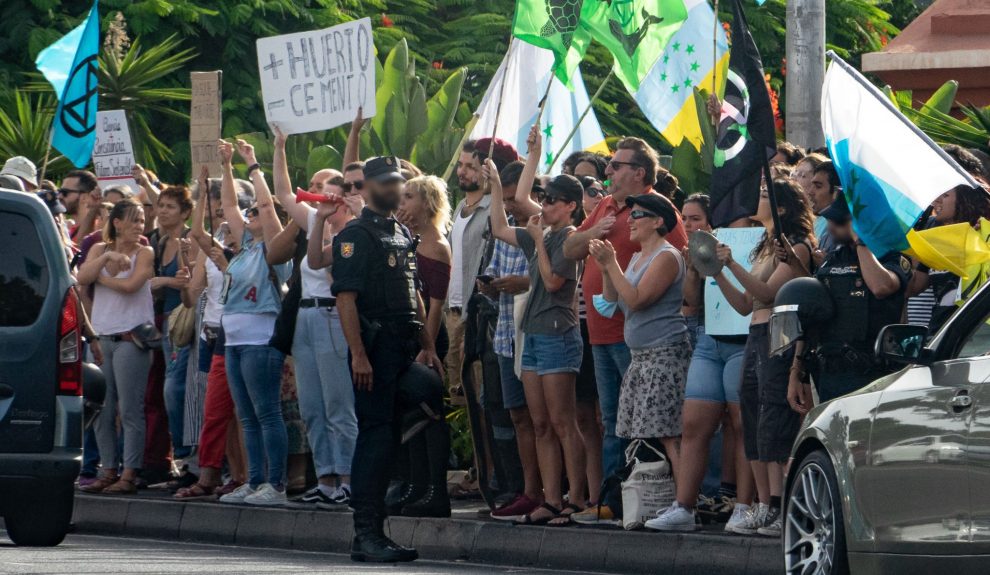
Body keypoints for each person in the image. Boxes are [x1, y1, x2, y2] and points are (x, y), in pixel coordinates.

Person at [563, 137, 688, 524]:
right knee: (615, 420)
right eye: (610, 164)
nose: (609, 171)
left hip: (643, 340)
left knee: (654, 427)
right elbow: (569, 249)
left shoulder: (660, 212)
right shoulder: (605, 205)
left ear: (639, 172)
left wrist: (609, 259)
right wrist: (593, 231)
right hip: (600, 331)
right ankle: (613, 501)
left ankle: (658, 503)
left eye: (616, 165)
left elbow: (657, 281)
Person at [331, 155, 443, 563]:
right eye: (384, 183)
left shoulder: (398, 229)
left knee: (425, 399)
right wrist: (359, 353)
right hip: (373, 348)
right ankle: (367, 533)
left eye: (397, 181)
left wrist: (428, 343)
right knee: (376, 438)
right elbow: (346, 299)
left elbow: (413, 291)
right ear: (366, 188)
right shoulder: (356, 235)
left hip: (402, 345)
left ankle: (376, 530)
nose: (394, 188)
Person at [704, 179, 815, 538]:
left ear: (782, 209)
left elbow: (767, 292)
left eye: (765, 195)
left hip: (778, 335)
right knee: (751, 415)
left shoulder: (794, 246)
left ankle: (781, 505)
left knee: (772, 417)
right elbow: (743, 304)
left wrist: (732, 263)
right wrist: (717, 270)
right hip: (754, 333)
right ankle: (765, 505)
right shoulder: (764, 247)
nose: (757, 197)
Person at [488, 159, 587, 527]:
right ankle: (550, 497)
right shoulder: (540, 233)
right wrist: (496, 184)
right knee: (540, 423)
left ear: (570, 206)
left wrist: (540, 243)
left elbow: (553, 282)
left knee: (564, 423)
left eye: (552, 201)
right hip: (532, 334)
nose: (544, 206)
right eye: (543, 200)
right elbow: (499, 227)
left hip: (558, 334)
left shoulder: (570, 237)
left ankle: (575, 499)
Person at [270, 126, 358, 508]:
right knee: (312, 406)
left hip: (332, 316)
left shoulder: (354, 229)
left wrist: (354, 133)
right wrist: (279, 147)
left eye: (330, 189)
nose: (321, 194)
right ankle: (325, 478)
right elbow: (284, 194)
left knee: (338, 404)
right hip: (305, 318)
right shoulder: (316, 222)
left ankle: (350, 478)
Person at [589, 194, 691, 493]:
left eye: (637, 216)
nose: (629, 221)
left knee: (669, 435)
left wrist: (612, 265)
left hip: (664, 355)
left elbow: (637, 300)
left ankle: (684, 502)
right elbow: (611, 303)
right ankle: (656, 499)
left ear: (658, 222)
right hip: (641, 357)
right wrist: (607, 267)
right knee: (645, 435)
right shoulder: (636, 257)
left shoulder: (667, 257)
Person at [214, 138, 291, 507]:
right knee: (246, 416)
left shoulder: (275, 249)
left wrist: (253, 164)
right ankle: (254, 479)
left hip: (261, 341)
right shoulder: (245, 245)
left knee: (266, 413)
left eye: (256, 214)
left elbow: (263, 203)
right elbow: (230, 205)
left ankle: (274, 484)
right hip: (234, 341)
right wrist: (227, 167)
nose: (248, 217)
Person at [787, 196, 910, 410]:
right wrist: (796, 371)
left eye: (840, 222)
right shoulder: (833, 259)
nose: (831, 227)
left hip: (872, 374)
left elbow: (881, 287)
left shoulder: (890, 256)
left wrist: (861, 241)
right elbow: (813, 313)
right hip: (830, 371)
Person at [174, 169, 248, 499]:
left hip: (240, 334)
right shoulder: (212, 242)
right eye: (214, 204)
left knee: (237, 410)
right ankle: (228, 475)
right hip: (212, 334)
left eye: (224, 204)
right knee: (219, 411)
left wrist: (225, 264)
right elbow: (193, 294)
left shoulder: (251, 246)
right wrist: (185, 285)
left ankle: (242, 476)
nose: (221, 211)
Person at [77, 199, 155, 494]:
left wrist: (102, 277)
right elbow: (82, 277)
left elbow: (131, 285)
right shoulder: (100, 249)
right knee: (102, 409)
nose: (139, 227)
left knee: (131, 410)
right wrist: (105, 261)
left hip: (130, 340)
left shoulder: (145, 252)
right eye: (134, 220)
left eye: (142, 222)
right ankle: (108, 469)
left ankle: (129, 472)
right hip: (103, 339)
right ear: (117, 222)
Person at [480, 161, 543, 521]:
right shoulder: (505, 234)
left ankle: (554, 490)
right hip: (506, 336)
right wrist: (491, 286)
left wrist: (525, 284)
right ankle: (528, 490)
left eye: (513, 199)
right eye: (503, 200)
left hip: (539, 337)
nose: (511, 206)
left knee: (546, 421)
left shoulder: (548, 230)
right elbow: (496, 278)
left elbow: (564, 282)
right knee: (519, 417)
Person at [393, 174, 453, 516]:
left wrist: (426, 347)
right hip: (409, 334)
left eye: (409, 196)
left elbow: (435, 304)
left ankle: (435, 490)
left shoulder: (436, 245)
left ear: (427, 202)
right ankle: (416, 485)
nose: (403, 203)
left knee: (429, 415)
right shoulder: (407, 239)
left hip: (428, 335)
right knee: (409, 417)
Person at [446, 139, 517, 402]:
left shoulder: (495, 213)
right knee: (461, 399)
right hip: (454, 313)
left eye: (472, 167)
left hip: (477, 316)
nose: (463, 172)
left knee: (482, 401)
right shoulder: (460, 209)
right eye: (461, 165)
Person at [907, 180, 990, 331]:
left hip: (974, 336)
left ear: (965, 200)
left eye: (945, 195)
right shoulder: (938, 242)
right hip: (940, 334)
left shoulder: (983, 236)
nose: (936, 200)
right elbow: (913, 287)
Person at [152, 185, 197, 463]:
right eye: (161, 205)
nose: (163, 211)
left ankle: (186, 454)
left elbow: (187, 281)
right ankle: (182, 457)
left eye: (170, 206)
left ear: (186, 212)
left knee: (175, 389)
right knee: (171, 389)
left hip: (189, 321)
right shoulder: (160, 242)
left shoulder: (190, 239)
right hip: (169, 323)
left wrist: (163, 281)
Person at [808, 160, 840, 255]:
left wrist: (827, 265)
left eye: (818, 186)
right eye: (811, 185)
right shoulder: (827, 232)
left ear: (837, 192)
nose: (810, 192)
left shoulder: (850, 235)